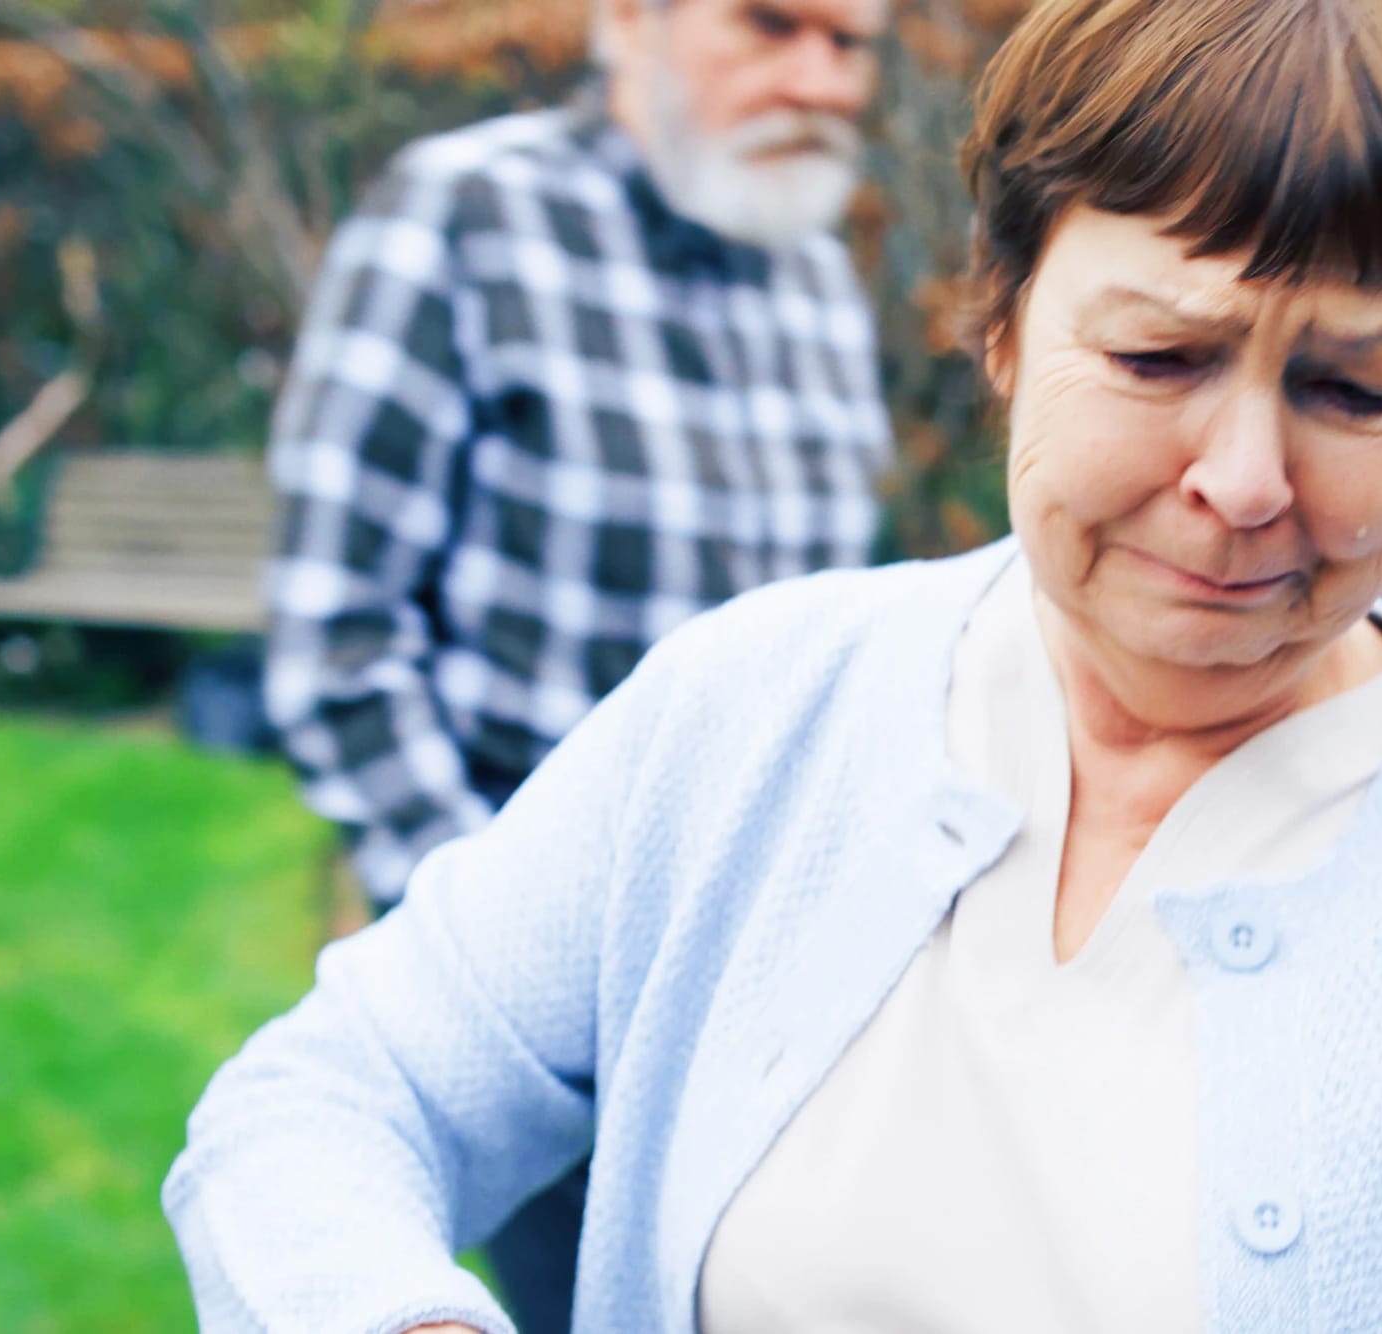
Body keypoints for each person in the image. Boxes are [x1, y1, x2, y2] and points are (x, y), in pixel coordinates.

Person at [171, 0, 1382, 1328]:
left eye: (1352, 391)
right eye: (1159, 356)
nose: (1245, 479)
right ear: (1000, 323)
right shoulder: (749, 702)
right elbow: (319, 1102)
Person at [255, 0, 892, 1327]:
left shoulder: (819, 278)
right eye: (773, 27)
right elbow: (338, 625)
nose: (820, 78)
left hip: (769, 987)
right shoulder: (464, 217)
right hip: (541, 978)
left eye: (853, 45)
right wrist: (488, 939)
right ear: (627, 27)